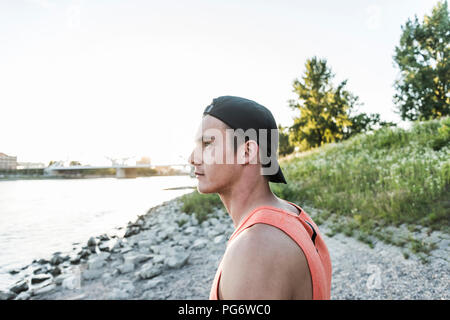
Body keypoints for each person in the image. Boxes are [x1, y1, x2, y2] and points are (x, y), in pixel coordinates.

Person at [188, 96, 332, 300]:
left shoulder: (255, 248)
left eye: (207, 144)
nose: (192, 158)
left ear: (247, 152)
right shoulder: (293, 215)